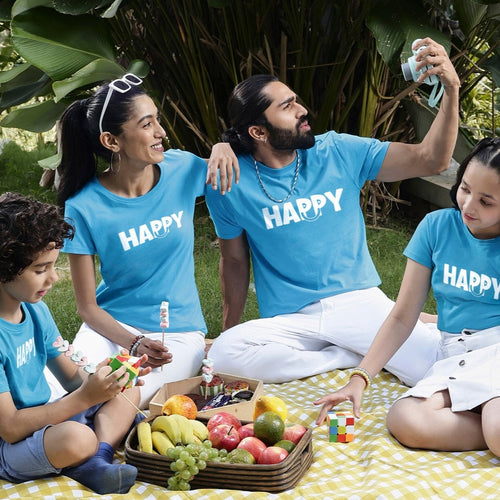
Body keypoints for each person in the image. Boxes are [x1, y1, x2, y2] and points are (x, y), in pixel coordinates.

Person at [205, 38, 460, 386]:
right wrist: (230, 329)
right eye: (288, 107)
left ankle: (364, 343)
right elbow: (233, 262)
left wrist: (451, 89)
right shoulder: (230, 182)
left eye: (296, 100)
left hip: (356, 303)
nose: (302, 110)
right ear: (258, 132)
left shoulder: (337, 151)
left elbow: (432, 159)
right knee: (224, 355)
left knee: (435, 368)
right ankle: (345, 355)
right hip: (293, 320)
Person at [56, 73, 237, 408]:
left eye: (158, 120)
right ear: (112, 141)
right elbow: (87, 307)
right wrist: (134, 342)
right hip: (109, 328)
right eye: (147, 124)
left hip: (177, 333)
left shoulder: (181, 169)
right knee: (69, 389)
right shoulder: (83, 206)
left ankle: (94, 452)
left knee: (125, 398)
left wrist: (223, 144)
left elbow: (240, 168)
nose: (161, 132)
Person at [315, 138, 500, 456]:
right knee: (405, 419)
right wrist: (360, 378)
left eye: (487, 201)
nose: (468, 206)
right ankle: (488, 427)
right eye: (465, 189)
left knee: (497, 429)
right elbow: (403, 315)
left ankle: (491, 426)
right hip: (456, 355)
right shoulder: (437, 227)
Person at [0, 192, 150, 494]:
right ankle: (90, 454)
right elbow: (11, 427)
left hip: (43, 419)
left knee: (128, 386)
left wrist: (107, 378)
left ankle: (98, 457)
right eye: (40, 270)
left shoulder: (34, 310)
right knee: (76, 438)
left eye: (53, 266)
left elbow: (71, 378)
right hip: (8, 445)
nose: (53, 278)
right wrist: (85, 398)